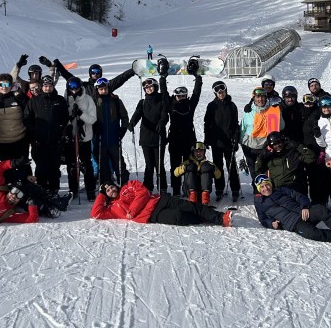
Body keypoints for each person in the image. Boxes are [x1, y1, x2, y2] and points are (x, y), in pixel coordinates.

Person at [253, 174, 331, 246]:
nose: (265, 188)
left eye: (267, 184)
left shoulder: (281, 190)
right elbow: (262, 219)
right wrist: (271, 223)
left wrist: (304, 206)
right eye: (262, 187)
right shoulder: (260, 203)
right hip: (293, 223)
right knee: (313, 234)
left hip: (303, 213)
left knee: (321, 210)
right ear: (259, 189)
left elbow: (300, 197)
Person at [91, 179, 232, 227]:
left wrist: (132, 211)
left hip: (159, 200)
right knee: (179, 218)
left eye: (111, 187)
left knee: (188, 205)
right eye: (108, 191)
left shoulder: (128, 187)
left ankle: (220, 218)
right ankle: (204, 217)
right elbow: (96, 214)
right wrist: (101, 196)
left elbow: (143, 193)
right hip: (151, 217)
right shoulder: (112, 208)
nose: (111, 190)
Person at [24, 75, 70, 196]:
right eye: (45, 86)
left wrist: (61, 131)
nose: (47, 88)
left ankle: (54, 190)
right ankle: (41, 189)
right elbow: (27, 118)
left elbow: (65, 118)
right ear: (41, 87)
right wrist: (34, 131)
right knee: (41, 167)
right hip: (39, 141)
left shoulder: (59, 100)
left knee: (54, 166)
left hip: (55, 141)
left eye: (50, 86)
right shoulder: (34, 100)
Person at [239, 86, 283, 194]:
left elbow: (281, 127)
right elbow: (243, 128)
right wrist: (240, 141)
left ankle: (268, 191)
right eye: (258, 97)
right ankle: (257, 192)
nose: (260, 99)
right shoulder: (248, 111)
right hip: (249, 145)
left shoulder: (272, 110)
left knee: (265, 169)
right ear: (254, 98)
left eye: (263, 97)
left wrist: (278, 114)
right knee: (253, 170)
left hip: (265, 145)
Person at [203, 81, 241, 202]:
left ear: (226, 91)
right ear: (215, 93)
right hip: (216, 141)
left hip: (229, 141)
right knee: (217, 166)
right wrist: (207, 138)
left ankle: (235, 188)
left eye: (223, 91)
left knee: (231, 165)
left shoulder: (232, 106)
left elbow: (236, 124)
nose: (221, 94)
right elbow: (207, 123)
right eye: (218, 92)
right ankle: (219, 188)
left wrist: (236, 138)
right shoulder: (211, 106)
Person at [130, 76, 168, 194]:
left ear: (155, 86)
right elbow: (137, 113)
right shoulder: (143, 102)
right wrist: (132, 122)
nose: (148, 89)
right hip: (146, 137)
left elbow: (164, 115)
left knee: (159, 164)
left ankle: (162, 188)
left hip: (158, 137)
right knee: (149, 165)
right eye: (146, 87)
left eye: (150, 86)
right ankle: (148, 188)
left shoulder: (162, 99)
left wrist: (162, 123)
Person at [166, 73, 202, 197]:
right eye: (178, 96)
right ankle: (176, 190)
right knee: (175, 167)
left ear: (186, 96)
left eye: (183, 95)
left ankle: (188, 189)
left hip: (188, 140)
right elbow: (164, 94)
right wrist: (162, 78)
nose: (181, 97)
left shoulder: (190, 105)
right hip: (175, 140)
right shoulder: (170, 104)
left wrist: (198, 78)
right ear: (175, 96)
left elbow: (196, 94)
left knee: (189, 166)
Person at [92, 77, 130, 186]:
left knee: (119, 164)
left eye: (105, 88)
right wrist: (94, 126)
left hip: (114, 138)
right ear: (97, 90)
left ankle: (124, 186)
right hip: (100, 140)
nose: (103, 91)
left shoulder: (116, 101)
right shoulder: (94, 102)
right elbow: (89, 118)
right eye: (101, 89)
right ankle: (107, 187)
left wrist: (123, 129)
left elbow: (124, 117)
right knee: (103, 166)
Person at [64, 77, 98, 201]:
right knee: (71, 164)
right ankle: (73, 189)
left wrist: (80, 114)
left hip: (85, 137)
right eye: (71, 87)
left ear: (80, 87)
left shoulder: (87, 99)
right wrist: (69, 123)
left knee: (86, 164)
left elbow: (93, 119)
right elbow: (61, 117)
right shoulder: (65, 99)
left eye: (76, 87)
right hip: (70, 137)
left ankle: (90, 190)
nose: (74, 90)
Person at [0, 73, 30, 163]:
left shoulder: (17, 97)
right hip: (0, 142)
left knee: (23, 166)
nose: (4, 87)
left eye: (7, 84)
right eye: (1, 84)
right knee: (7, 169)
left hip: (19, 139)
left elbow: (30, 107)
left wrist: (20, 95)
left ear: (11, 85)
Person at [51, 58, 135, 99]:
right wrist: (59, 66)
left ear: (100, 73)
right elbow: (70, 77)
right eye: (93, 72)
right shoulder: (85, 86)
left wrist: (132, 71)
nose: (95, 74)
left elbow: (120, 78)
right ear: (90, 73)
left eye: (97, 72)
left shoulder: (106, 85)